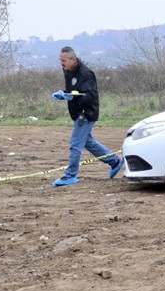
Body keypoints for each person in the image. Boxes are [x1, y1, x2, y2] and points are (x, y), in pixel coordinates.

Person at [50, 46, 124, 187]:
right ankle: (115, 160)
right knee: (88, 142)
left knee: (75, 145)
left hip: (86, 113)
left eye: (64, 60)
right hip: (77, 113)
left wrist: (70, 97)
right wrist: (64, 94)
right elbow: (74, 90)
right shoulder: (68, 71)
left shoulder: (86, 74)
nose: (61, 63)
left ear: (73, 59)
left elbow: (90, 96)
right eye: (60, 60)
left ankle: (70, 175)